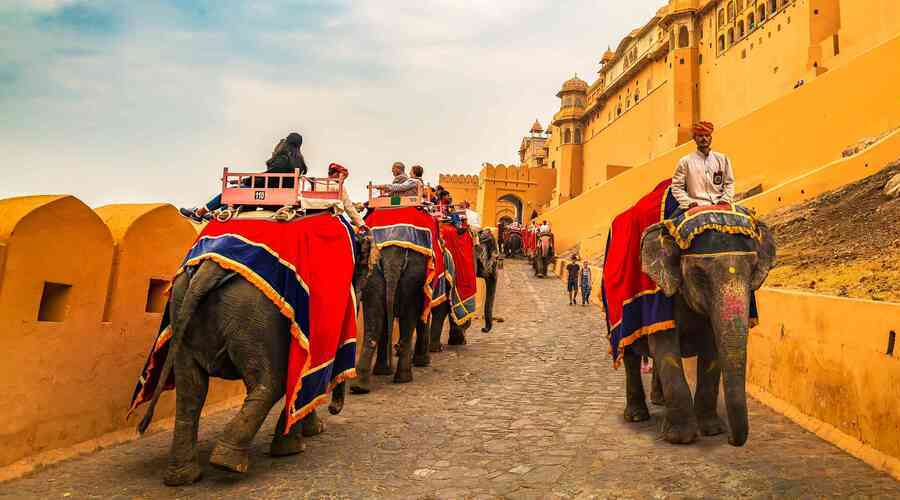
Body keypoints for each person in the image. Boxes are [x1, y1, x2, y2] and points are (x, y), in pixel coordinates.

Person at [179, 132, 308, 222]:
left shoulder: (283, 159)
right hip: (283, 195)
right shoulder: (299, 163)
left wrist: (243, 180)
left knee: (232, 191)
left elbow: (266, 178)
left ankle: (198, 213)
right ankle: (214, 215)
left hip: (269, 194)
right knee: (240, 189)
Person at [671, 121, 735, 211]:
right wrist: (689, 203)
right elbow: (677, 187)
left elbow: (729, 183)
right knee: (672, 223)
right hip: (695, 205)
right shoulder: (685, 162)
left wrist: (725, 200)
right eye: (700, 136)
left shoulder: (723, 159)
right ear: (694, 138)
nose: (704, 138)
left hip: (720, 203)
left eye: (707, 135)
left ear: (711, 138)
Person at [325, 163, 367, 231]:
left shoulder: (316, 184)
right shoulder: (339, 187)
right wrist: (361, 224)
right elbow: (348, 206)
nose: (344, 180)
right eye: (344, 177)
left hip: (311, 215)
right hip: (332, 215)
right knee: (350, 231)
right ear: (337, 174)